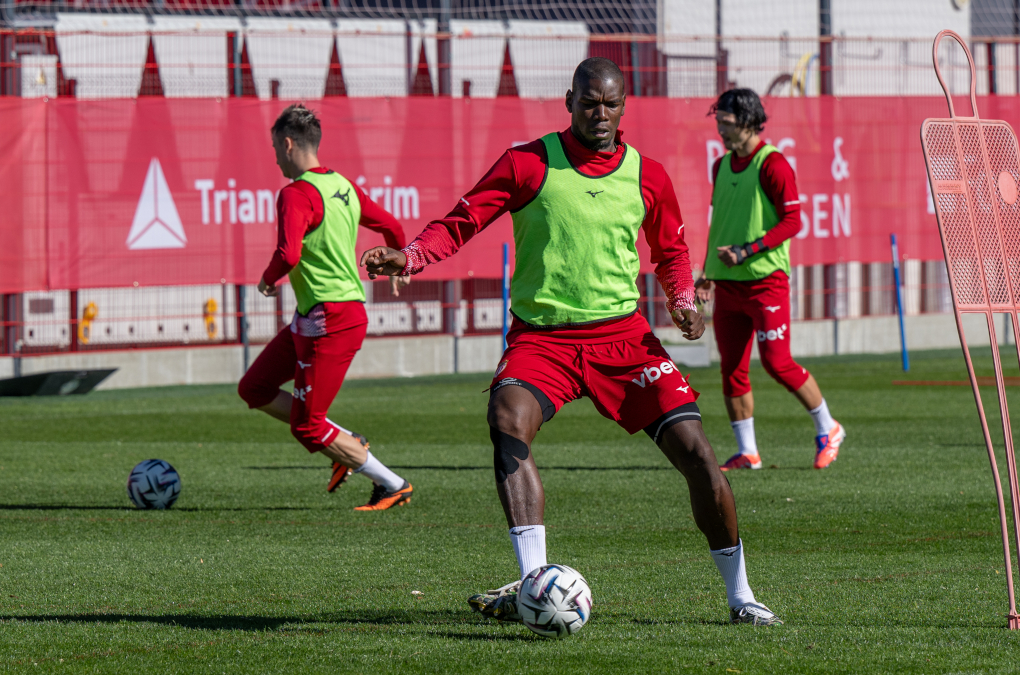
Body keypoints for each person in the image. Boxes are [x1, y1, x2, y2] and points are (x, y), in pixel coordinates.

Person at [362, 59, 782, 626]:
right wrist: (410, 255)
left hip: (624, 339)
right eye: (589, 102)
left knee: (698, 454)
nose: (600, 114)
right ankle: (534, 582)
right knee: (507, 419)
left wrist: (684, 300)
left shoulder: (647, 174)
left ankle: (741, 596)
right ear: (569, 100)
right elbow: (462, 220)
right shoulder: (527, 163)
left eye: (610, 104)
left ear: (624, 105)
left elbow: (672, 252)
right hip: (544, 341)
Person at [237, 104, 414, 511]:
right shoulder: (343, 186)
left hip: (332, 319)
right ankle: (348, 444)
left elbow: (289, 253)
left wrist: (267, 279)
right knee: (254, 388)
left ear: (286, 144)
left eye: (274, 148)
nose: (276, 158)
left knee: (307, 428)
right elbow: (392, 225)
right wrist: (398, 260)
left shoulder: (296, 193)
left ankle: (393, 484)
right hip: (316, 316)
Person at [695, 89, 845, 472]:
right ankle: (749, 452)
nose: (721, 131)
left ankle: (829, 428)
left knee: (777, 364)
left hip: (766, 282)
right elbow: (720, 223)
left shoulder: (773, 164)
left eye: (726, 124)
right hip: (727, 282)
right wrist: (707, 272)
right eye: (718, 124)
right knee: (731, 369)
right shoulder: (721, 166)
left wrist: (747, 250)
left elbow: (793, 221)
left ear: (747, 121)